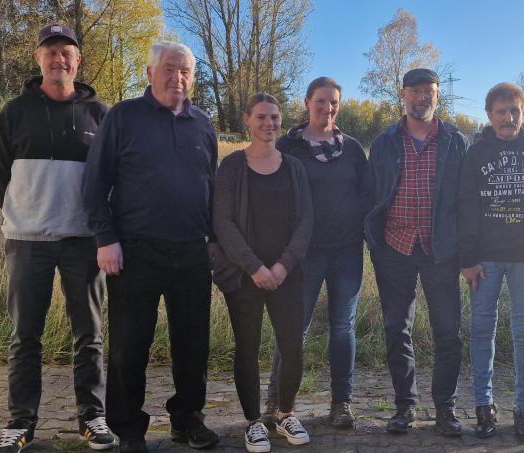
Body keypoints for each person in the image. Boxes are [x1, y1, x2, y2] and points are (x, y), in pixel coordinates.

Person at [81, 41, 220, 453]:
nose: (178, 78)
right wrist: (106, 239)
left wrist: (214, 239)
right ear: (150, 73)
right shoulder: (123, 117)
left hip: (192, 251)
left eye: (185, 71)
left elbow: (211, 188)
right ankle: (129, 431)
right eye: (169, 69)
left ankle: (188, 419)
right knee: (129, 346)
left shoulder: (203, 124)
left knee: (193, 344)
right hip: (134, 251)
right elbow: (94, 183)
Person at [0, 23, 114, 453]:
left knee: (89, 334)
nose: (59, 59)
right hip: (28, 241)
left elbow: (112, 176)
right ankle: (20, 423)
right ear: (38, 59)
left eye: (66, 52)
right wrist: (25, 212)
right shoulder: (14, 112)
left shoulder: (100, 115)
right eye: (51, 52)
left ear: (78, 61)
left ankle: (92, 418)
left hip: (83, 240)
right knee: (25, 336)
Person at [363, 68, 468, 436]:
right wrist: (373, 242)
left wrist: (465, 248)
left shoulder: (455, 141)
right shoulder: (385, 142)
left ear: (438, 95)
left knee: (448, 332)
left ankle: (445, 409)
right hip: (394, 248)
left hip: (441, 250)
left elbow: (465, 200)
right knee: (397, 329)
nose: (423, 97)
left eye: (429, 91)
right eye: (416, 91)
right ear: (403, 94)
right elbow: (371, 192)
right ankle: (404, 407)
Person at [263, 77, 368, 429]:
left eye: (333, 102)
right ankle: (276, 401)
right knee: (294, 328)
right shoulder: (289, 146)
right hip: (302, 253)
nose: (328, 108)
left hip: (347, 252)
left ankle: (341, 403)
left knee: (343, 328)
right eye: (321, 101)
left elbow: (366, 194)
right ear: (307, 102)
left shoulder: (352, 148)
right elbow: (272, 193)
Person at [212, 93, 314, 452]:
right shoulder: (232, 166)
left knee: (292, 345)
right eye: (261, 117)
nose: (269, 123)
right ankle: (253, 422)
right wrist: (254, 266)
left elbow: (306, 220)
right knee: (247, 348)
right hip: (244, 276)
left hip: (287, 274)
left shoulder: (294, 167)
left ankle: (285, 414)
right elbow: (222, 222)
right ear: (247, 120)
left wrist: (284, 264)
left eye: (274, 117)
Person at [458, 83, 524, 443]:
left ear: (523, 113)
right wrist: (467, 259)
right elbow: (467, 206)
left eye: (514, 111)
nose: (508, 117)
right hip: (485, 259)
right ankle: (484, 406)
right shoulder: (477, 153)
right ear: (489, 115)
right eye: (501, 111)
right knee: (482, 329)